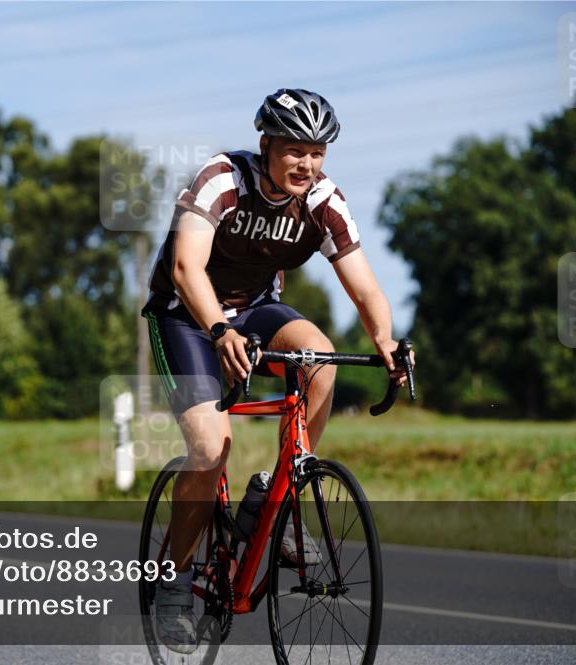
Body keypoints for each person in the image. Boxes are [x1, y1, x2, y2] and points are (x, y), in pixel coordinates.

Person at [140, 88, 414, 653]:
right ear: (265, 144)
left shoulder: (324, 201)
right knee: (210, 448)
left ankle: (280, 494)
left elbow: (364, 287)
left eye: (317, 152)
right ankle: (176, 580)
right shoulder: (222, 180)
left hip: (256, 311)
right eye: (294, 150)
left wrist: (385, 340)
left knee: (319, 357)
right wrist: (220, 331)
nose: (306, 164)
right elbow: (186, 268)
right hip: (185, 316)